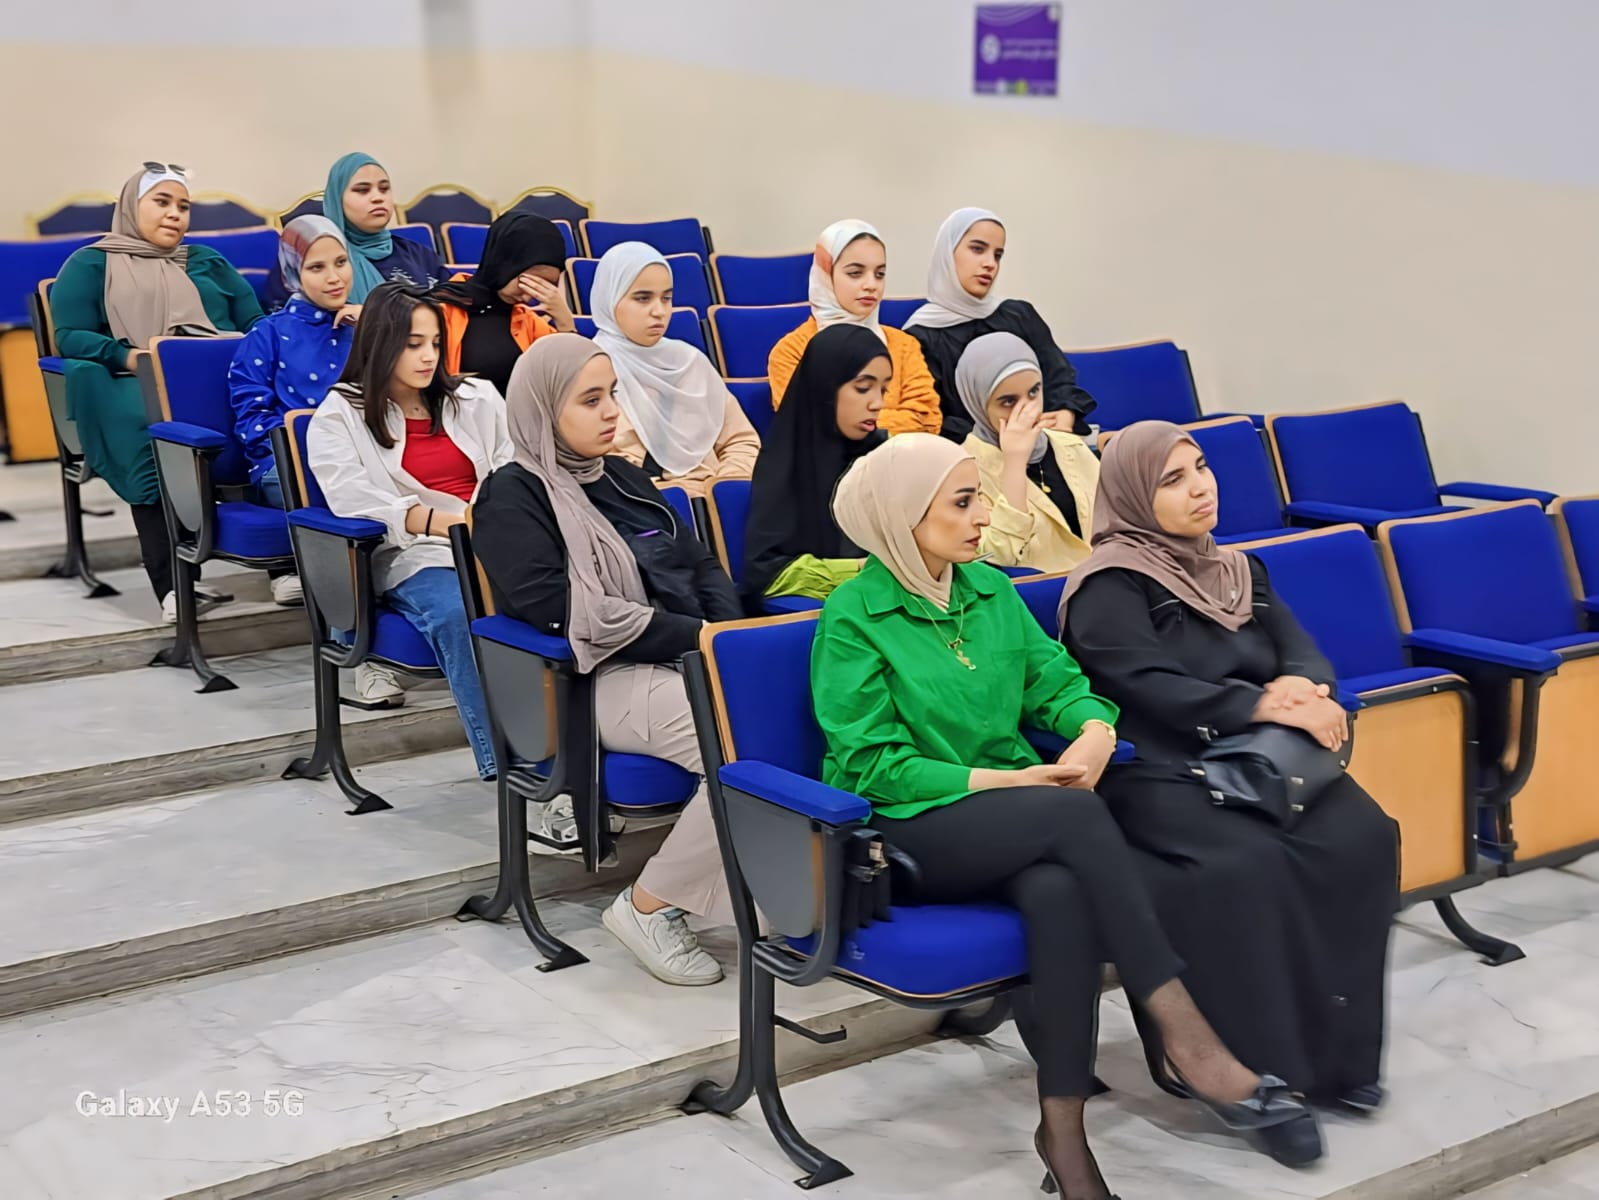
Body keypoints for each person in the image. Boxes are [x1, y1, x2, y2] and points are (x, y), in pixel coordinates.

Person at [813, 433, 1321, 1199]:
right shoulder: (853, 616)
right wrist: (1006, 779)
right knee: (1073, 818)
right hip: (912, 824)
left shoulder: (987, 590)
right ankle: (1190, 1042)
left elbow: (1058, 684)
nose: (984, 516)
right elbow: (870, 764)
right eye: (963, 502)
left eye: (979, 498)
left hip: (1018, 813)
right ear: (900, 516)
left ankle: (1063, 1133)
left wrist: (1092, 730)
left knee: (1059, 893)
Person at [1060, 420, 1399, 1114]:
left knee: (1363, 836)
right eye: (1172, 479)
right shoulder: (1109, 584)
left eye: (1201, 468)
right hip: (1159, 768)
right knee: (1246, 865)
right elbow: (1144, 685)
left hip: (1258, 758)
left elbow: (1300, 648)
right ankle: (1262, 1069)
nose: (1199, 488)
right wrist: (1261, 704)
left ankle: (1340, 1058)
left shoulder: (1239, 569)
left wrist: (1301, 687)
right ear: (1133, 494)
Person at [471, 334, 745, 986]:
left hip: (684, 654)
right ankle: (649, 908)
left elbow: (699, 564)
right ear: (544, 408)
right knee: (745, 747)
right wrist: (699, 638)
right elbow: (564, 613)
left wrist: (731, 640)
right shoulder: (511, 498)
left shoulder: (622, 477)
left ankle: (768, 894)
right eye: (590, 400)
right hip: (595, 679)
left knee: (790, 719)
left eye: (613, 395)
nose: (611, 412)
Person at [50, 163, 263, 622]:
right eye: (162, 202)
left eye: (183, 206)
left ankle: (282, 565)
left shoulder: (207, 261)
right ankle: (173, 587)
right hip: (134, 380)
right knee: (155, 434)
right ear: (131, 206)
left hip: (218, 377)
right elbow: (69, 335)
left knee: (267, 420)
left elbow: (254, 320)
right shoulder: (91, 264)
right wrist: (128, 356)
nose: (175, 214)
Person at [306, 283, 506, 762]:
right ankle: (512, 769)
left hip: (496, 541)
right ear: (380, 343)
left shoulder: (476, 397)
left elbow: (513, 466)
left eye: (435, 342)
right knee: (460, 613)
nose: (429, 356)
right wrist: (444, 522)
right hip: (415, 555)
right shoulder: (339, 415)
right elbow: (354, 501)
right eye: (413, 344)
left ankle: (580, 758)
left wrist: (493, 520)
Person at [228, 215, 360, 605]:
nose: (334, 277)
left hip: (363, 454)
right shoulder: (267, 334)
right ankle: (321, 576)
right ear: (292, 273)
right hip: (289, 462)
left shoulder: (364, 327)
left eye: (341, 262)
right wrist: (312, 448)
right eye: (316, 268)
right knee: (339, 484)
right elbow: (252, 418)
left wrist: (378, 328)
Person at [905, 208, 1095, 441]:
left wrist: (1065, 413)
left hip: (1042, 440)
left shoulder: (1019, 315)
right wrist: (999, 438)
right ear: (947, 252)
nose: (990, 264)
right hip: (969, 455)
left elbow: (1058, 377)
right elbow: (931, 419)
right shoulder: (919, 338)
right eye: (977, 249)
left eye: (997, 255)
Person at [590, 242, 759, 498]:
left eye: (666, 298)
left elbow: (741, 441)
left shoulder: (690, 362)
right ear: (609, 299)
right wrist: (669, 497)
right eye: (643, 298)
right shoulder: (589, 370)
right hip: (639, 506)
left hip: (710, 498)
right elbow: (592, 466)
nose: (659, 311)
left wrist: (723, 490)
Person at [743, 325, 886, 608]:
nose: (878, 403)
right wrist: (861, 570)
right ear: (825, 389)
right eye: (863, 388)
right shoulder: (785, 463)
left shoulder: (884, 455)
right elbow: (768, 572)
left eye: (884, 389)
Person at [767, 219, 941, 436]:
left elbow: (927, 420)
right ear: (826, 274)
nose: (871, 285)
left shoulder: (904, 345)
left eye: (879, 274)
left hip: (902, 455)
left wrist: (851, 420)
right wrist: (891, 423)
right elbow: (808, 424)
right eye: (855, 273)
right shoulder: (792, 351)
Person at [953, 332, 1098, 572]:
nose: (1028, 410)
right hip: (1033, 593)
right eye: (1008, 402)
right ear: (977, 404)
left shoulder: (1069, 445)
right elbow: (998, 557)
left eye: (1033, 392)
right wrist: (1015, 462)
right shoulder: (960, 470)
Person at [263, 152, 444, 312]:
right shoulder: (304, 260)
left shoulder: (418, 255)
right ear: (337, 200)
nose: (378, 198)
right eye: (362, 190)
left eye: (384, 189)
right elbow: (289, 326)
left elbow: (451, 310)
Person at [432, 211, 575, 395]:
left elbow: (570, 380)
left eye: (543, 287)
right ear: (505, 264)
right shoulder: (441, 308)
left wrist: (565, 322)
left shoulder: (526, 320)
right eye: (527, 283)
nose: (528, 297)